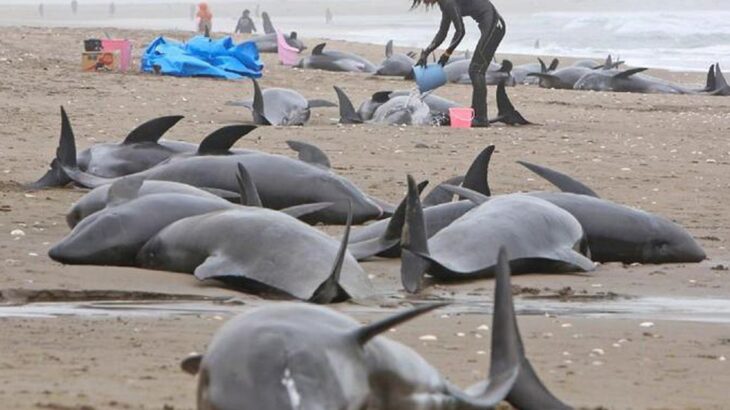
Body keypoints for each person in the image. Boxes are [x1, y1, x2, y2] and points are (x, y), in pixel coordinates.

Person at [413, 0, 505, 127]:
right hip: (493, 26)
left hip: (495, 27)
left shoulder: (448, 2)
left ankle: (481, 118)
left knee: (476, 70)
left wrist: (447, 53)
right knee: (475, 70)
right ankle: (476, 112)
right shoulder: (444, 4)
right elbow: (442, 32)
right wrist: (426, 52)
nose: (424, 2)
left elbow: (460, 31)